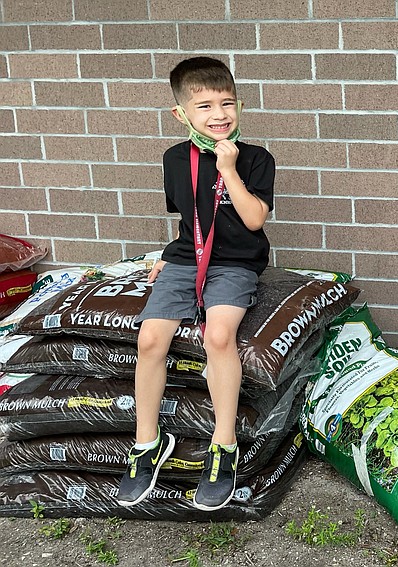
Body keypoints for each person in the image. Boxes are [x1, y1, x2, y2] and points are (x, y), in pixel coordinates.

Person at [117, 57, 276, 510]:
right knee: (150, 338)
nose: (219, 114)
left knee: (219, 335)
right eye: (204, 105)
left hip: (236, 263)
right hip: (188, 260)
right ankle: (147, 442)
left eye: (227, 103)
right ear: (182, 115)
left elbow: (253, 219)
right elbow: (190, 221)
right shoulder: (175, 159)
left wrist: (229, 171)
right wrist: (170, 258)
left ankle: (223, 444)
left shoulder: (256, 159)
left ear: (240, 106)